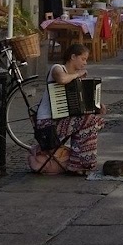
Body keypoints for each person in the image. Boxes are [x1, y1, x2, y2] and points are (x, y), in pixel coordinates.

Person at [29, 42, 104, 175]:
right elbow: (62, 79)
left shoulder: (74, 76)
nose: (85, 63)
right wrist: (77, 75)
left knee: (91, 120)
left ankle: (78, 164)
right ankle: (80, 164)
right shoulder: (57, 68)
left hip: (61, 121)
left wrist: (98, 107)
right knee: (90, 121)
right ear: (73, 57)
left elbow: (82, 105)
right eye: (83, 59)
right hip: (47, 125)